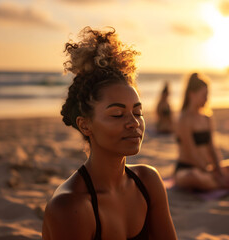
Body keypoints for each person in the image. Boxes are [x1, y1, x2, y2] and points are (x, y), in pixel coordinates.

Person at [42, 26, 177, 240]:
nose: (133, 123)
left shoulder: (148, 182)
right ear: (85, 125)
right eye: (117, 114)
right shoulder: (70, 206)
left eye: (137, 112)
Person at [174, 73, 229, 192]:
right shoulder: (184, 119)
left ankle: (216, 183)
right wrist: (216, 176)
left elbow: (212, 148)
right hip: (188, 170)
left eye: (208, 95)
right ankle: (221, 184)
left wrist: (220, 171)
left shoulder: (206, 118)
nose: (207, 99)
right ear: (192, 95)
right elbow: (192, 153)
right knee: (193, 177)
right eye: (204, 95)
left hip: (208, 170)